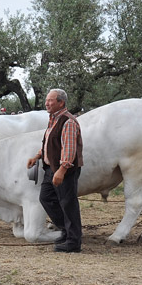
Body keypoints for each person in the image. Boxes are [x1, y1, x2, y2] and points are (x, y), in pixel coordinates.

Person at [27, 88, 83, 253]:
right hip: (51, 168)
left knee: (68, 204)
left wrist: (62, 170)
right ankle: (66, 231)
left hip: (64, 170)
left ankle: (73, 242)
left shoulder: (68, 121)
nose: (47, 103)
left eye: (50, 100)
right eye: (46, 100)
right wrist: (37, 156)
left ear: (61, 102)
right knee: (46, 198)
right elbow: (49, 143)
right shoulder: (53, 119)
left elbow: (69, 149)